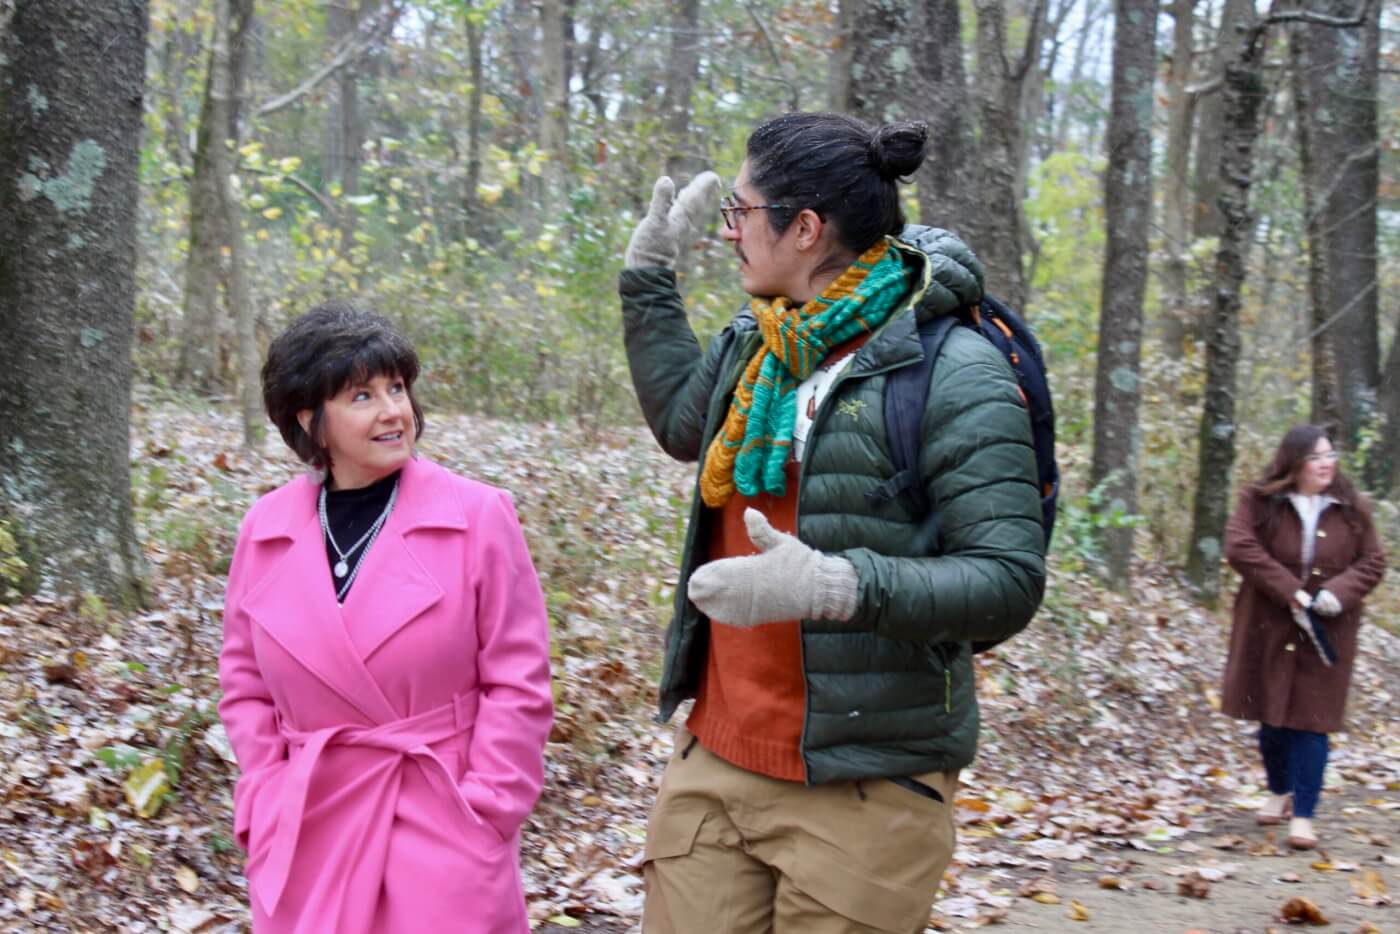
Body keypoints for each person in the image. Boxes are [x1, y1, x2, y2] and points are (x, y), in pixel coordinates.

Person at [618, 112, 1046, 933]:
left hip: (866, 788)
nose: (729, 232)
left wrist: (833, 585)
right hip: (715, 761)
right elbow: (683, 421)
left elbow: (1006, 582)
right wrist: (648, 279)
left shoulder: (954, 372)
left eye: (740, 212)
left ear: (806, 229)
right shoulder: (763, 338)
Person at [218, 301, 553, 933]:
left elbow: (519, 682)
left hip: (439, 814)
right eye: (362, 396)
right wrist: (263, 793)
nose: (393, 410)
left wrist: (487, 808)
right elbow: (243, 681)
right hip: (308, 820)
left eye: (397, 388)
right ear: (309, 419)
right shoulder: (266, 529)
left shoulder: (478, 516)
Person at [1222, 425, 1385, 850]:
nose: (1326, 464)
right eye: (1316, 457)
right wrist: (1289, 589)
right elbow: (1240, 547)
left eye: (1330, 454)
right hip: (1267, 623)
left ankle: (1305, 815)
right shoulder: (1258, 500)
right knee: (1272, 718)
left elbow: (1373, 562)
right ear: (1294, 462)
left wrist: (1338, 593)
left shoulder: (1353, 507)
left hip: (1328, 629)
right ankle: (1279, 791)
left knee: (1313, 723)